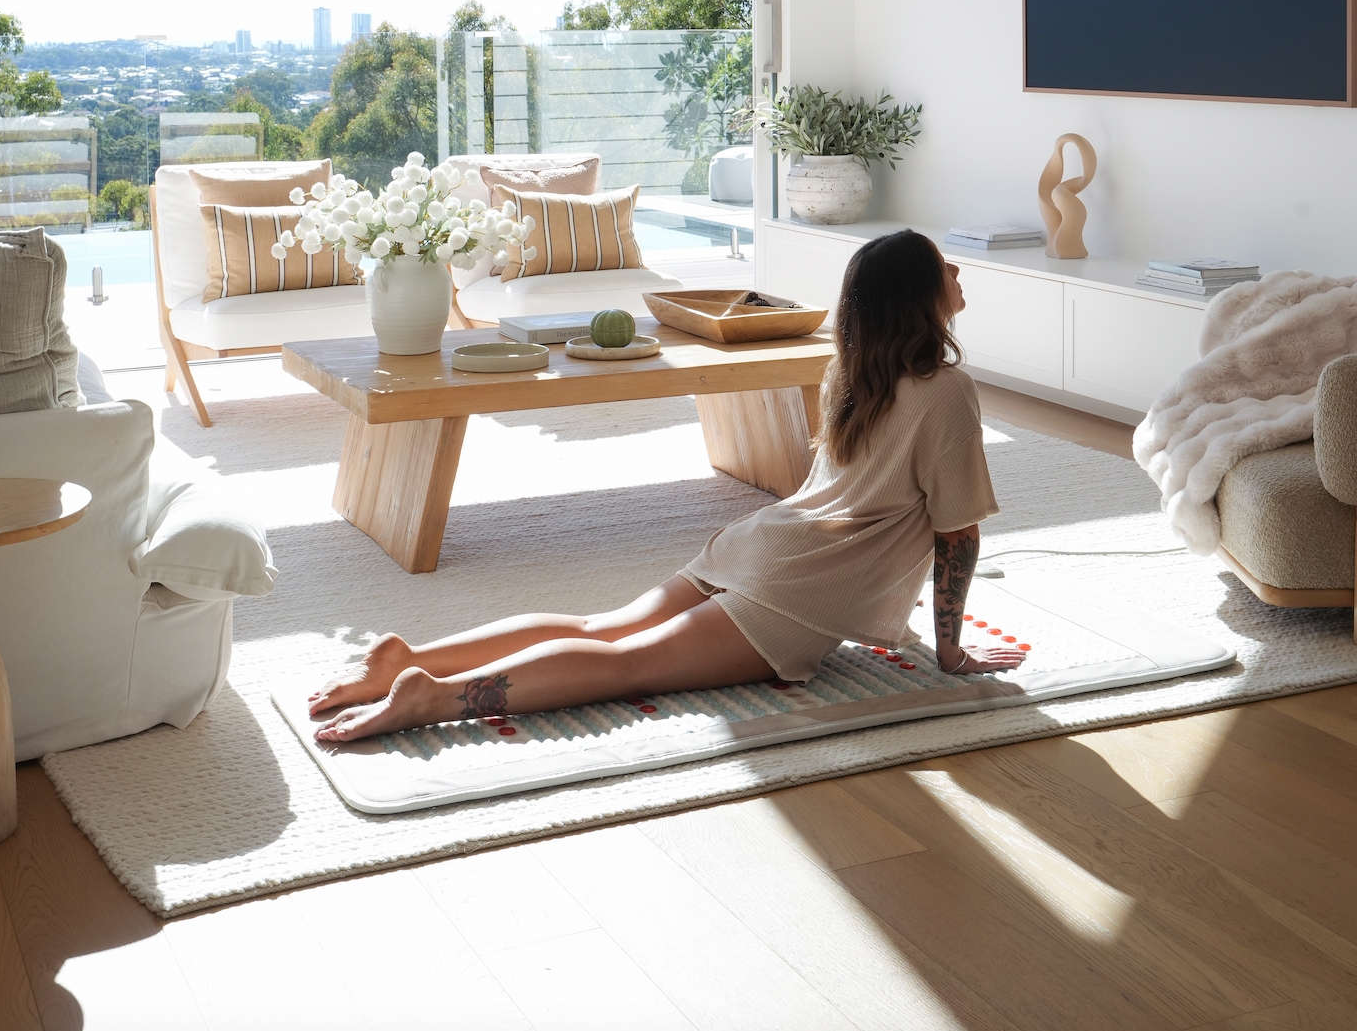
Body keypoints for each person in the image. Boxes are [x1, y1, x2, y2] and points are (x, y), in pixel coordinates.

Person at [310, 229, 1025, 743]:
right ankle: (434, 698)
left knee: (604, 627)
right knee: (629, 663)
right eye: (944, 265)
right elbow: (956, 532)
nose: (958, 273)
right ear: (919, 295)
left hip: (764, 543)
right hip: (799, 591)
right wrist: (951, 650)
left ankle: (412, 660)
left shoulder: (848, 367)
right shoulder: (947, 390)